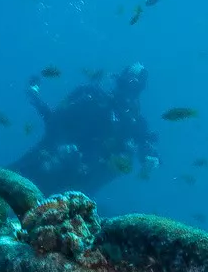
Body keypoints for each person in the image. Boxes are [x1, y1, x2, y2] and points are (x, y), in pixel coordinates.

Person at [9, 64, 160, 194]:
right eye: (126, 85)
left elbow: (144, 141)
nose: (128, 93)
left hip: (78, 186)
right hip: (47, 161)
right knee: (8, 186)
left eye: (134, 89)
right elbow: (56, 119)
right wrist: (60, 146)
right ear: (119, 82)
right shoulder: (92, 98)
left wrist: (149, 156)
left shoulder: (134, 123)